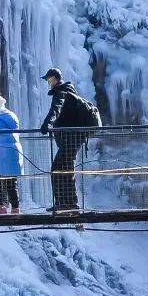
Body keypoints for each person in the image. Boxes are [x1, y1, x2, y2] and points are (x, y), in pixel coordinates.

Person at [40, 67, 101, 212]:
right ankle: (68, 202)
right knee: (65, 167)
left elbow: (56, 109)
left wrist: (46, 125)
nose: (48, 83)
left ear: (55, 79)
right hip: (74, 137)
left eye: (49, 79)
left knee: (58, 168)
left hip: (71, 137)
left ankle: (66, 202)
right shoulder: (68, 92)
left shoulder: (61, 92)